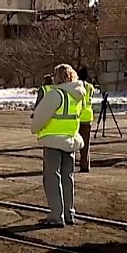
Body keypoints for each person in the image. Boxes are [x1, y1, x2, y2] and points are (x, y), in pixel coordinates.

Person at [30, 64, 86, 226]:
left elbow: (40, 118)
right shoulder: (78, 95)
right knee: (68, 178)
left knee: (52, 178)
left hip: (53, 140)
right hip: (70, 139)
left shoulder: (56, 94)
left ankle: (56, 215)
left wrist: (35, 128)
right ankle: (69, 213)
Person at [78, 67, 96, 173]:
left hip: (78, 116)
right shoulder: (90, 87)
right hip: (88, 116)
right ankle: (85, 165)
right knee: (86, 144)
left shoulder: (77, 86)